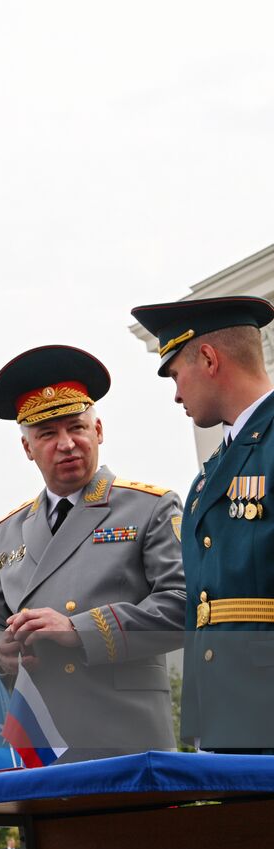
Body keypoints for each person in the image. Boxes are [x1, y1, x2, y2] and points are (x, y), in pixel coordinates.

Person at [0, 345, 186, 760]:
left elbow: (183, 606)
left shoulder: (150, 507)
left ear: (98, 431)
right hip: (39, 741)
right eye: (48, 434)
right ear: (28, 448)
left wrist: (79, 630)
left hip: (125, 735)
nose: (66, 444)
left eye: (77, 428)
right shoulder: (7, 532)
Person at [131, 295, 274, 750]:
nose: (176, 394)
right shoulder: (210, 475)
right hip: (229, 723)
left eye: (176, 374)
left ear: (209, 358)